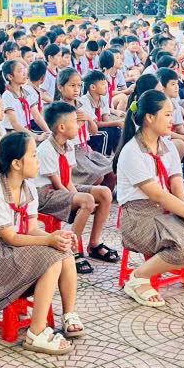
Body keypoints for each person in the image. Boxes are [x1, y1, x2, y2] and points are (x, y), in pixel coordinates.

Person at [0, 131, 82, 355]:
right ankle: (36, 332)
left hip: (16, 249)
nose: (37, 160)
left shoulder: (28, 188)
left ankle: (69, 313)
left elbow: (31, 229)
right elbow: (10, 238)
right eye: (33, 155)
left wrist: (57, 237)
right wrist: (48, 240)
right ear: (16, 164)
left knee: (65, 252)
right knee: (52, 260)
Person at [112, 90, 184, 308]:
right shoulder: (132, 151)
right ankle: (139, 277)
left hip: (165, 212)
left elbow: (177, 187)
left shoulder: (168, 146)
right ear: (150, 117)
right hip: (139, 218)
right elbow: (158, 195)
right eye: (168, 115)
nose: (173, 120)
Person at [37, 101, 115, 270]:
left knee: (104, 193)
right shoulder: (46, 149)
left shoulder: (69, 146)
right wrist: (79, 199)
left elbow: (68, 181)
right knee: (87, 200)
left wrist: (78, 196)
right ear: (62, 128)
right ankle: (72, 250)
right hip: (45, 192)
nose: (79, 126)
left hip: (61, 187)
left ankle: (94, 244)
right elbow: (57, 183)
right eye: (74, 122)